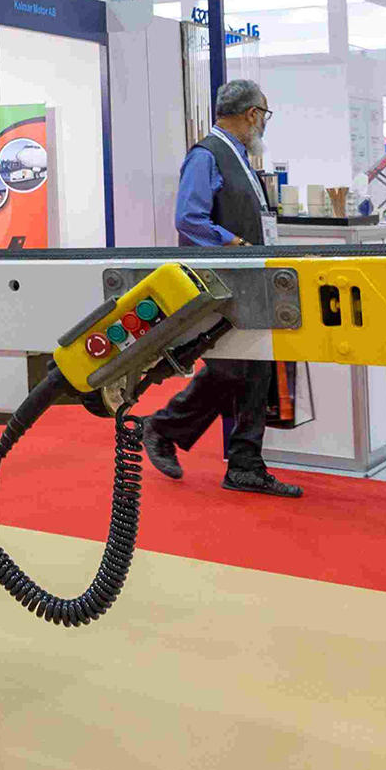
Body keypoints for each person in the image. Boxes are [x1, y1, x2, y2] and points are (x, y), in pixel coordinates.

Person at [143, 78, 301, 498]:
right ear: (252, 114)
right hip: (223, 280)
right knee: (235, 367)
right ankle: (165, 428)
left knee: (252, 366)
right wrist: (234, 243)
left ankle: (243, 463)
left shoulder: (238, 157)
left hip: (247, 277)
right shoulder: (207, 155)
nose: (264, 123)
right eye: (264, 115)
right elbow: (188, 219)